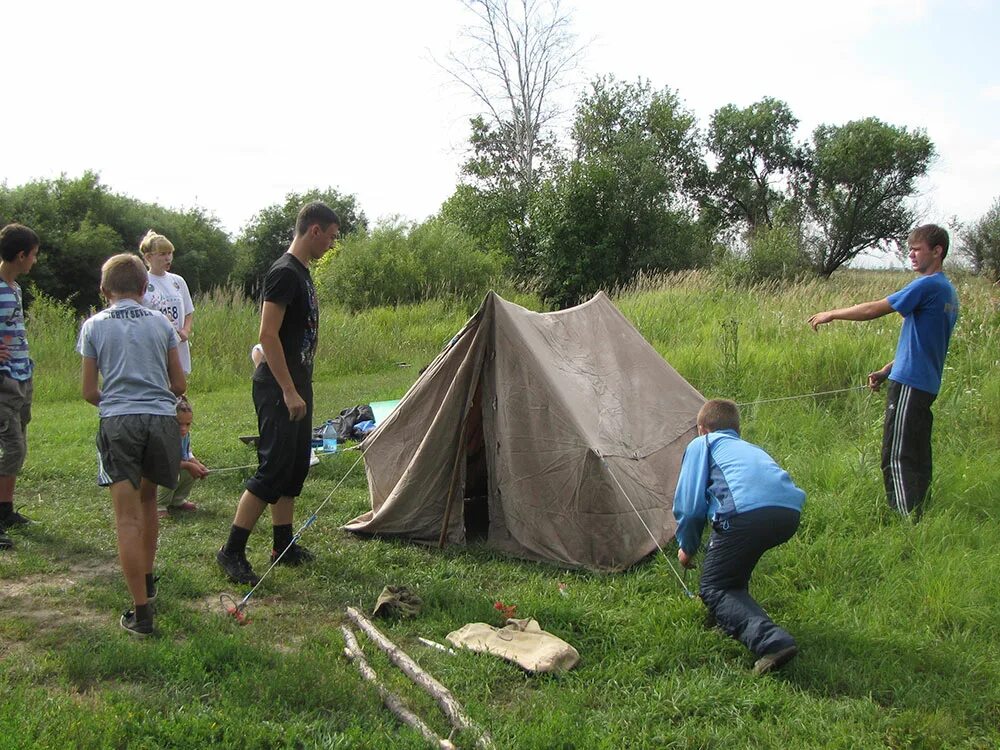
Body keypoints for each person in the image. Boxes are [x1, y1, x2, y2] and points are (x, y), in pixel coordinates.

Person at [216, 202, 340, 585]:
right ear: (314, 230)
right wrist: (287, 390)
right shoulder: (284, 272)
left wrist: (299, 386)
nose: (331, 245)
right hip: (278, 387)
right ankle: (231, 551)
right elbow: (267, 335)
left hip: (298, 383)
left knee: (294, 466)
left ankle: (282, 546)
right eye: (331, 237)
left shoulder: (302, 273)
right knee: (272, 469)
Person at [808, 224, 959, 518]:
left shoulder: (927, 285)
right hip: (923, 383)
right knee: (916, 452)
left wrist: (833, 313)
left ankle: (906, 520)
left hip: (911, 385)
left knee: (897, 454)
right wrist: (887, 370)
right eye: (910, 249)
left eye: (917, 249)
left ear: (937, 251)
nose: (911, 255)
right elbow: (924, 346)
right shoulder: (948, 292)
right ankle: (919, 510)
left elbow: (874, 309)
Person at [77, 254, 186, 635]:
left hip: (119, 422)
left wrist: (116, 403)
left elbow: (90, 390)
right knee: (149, 503)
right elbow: (179, 384)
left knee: (126, 518)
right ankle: (149, 579)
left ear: (104, 290)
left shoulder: (93, 326)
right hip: (159, 420)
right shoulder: (161, 323)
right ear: (144, 289)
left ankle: (141, 614)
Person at [673, 399, 806, 675]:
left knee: (714, 587)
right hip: (788, 512)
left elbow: (689, 506)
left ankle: (771, 642)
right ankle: (726, 620)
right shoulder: (747, 448)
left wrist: (686, 547)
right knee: (729, 565)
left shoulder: (703, 444)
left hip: (746, 513)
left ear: (702, 429)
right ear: (736, 429)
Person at [0, 223, 40, 550]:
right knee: (10, 447)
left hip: (21, 375)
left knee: (19, 445)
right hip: (2, 380)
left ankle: (6, 511)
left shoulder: (14, 288)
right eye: (34, 255)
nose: (35, 261)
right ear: (21, 255)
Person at [140, 230, 195, 374]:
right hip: (153, 345)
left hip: (177, 343)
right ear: (149, 257)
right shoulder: (141, 282)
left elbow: (189, 312)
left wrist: (185, 330)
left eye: (170, 253)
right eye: (163, 254)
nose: (168, 258)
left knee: (177, 386)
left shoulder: (178, 281)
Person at [157, 395, 209, 517]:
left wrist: (197, 464)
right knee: (173, 474)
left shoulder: (185, 436)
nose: (183, 429)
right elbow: (167, 462)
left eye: (188, 424)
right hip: (160, 470)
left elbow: (187, 453)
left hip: (177, 465)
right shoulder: (166, 436)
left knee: (190, 472)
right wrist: (189, 465)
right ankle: (159, 505)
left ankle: (177, 500)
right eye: (179, 424)